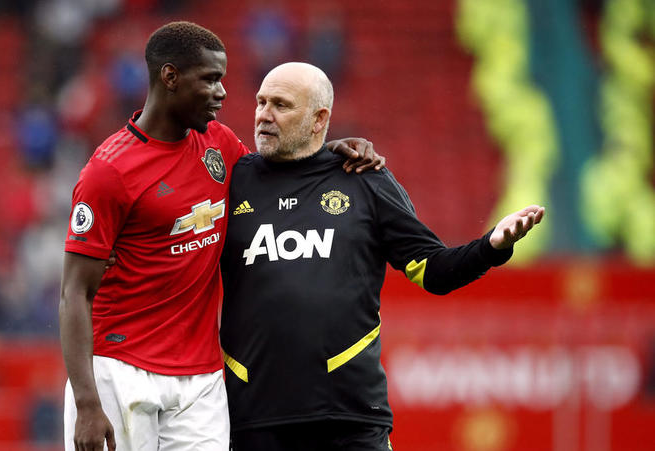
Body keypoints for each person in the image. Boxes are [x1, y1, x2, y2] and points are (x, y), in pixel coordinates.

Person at [59, 23, 385, 451]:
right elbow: (74, 294)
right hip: (121, 369)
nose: (223, 92)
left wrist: (329, 150)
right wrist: (87, 403)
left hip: (202, 379)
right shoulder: (109, 172)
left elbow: (278, 179)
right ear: (170, 78)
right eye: (210, 79)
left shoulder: (219, 145)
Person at [219, 62, 545, 451]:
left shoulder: (363, 178)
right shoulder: (232, 182)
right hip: (254, 418)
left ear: (319, 118)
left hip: (349, 418)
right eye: (261, 102)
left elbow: (432, 271)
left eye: (281, 105)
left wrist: (492, 246)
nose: (263, 115)